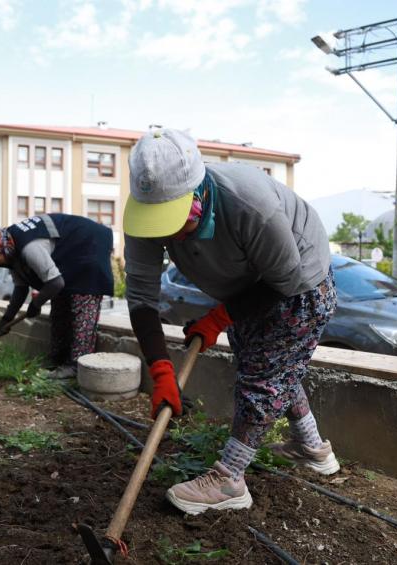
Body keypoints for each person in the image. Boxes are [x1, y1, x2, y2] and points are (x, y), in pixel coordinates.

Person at [123, 129, 338, 516]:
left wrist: (220, 317)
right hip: (244, 288)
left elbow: (284, 282)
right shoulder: (145, 209)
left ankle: (229, 479)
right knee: (274, 368)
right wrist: (160, 370)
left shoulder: (249, 204)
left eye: (172, 220)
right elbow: (141, 297)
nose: (165, 233)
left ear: (197, 194)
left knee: (263, 377)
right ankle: (313, 448)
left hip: (298, 284)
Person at [0, 213, 113, 379]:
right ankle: (57, 360)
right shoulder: (11, 247)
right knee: (59, 306)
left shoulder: (30, 247)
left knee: (82, 303)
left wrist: (36, 304)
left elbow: (55, 283)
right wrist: (6, 319)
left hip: (89, 245)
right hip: (69, 255)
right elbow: (20, 288)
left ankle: (75, 366)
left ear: (2, 247)